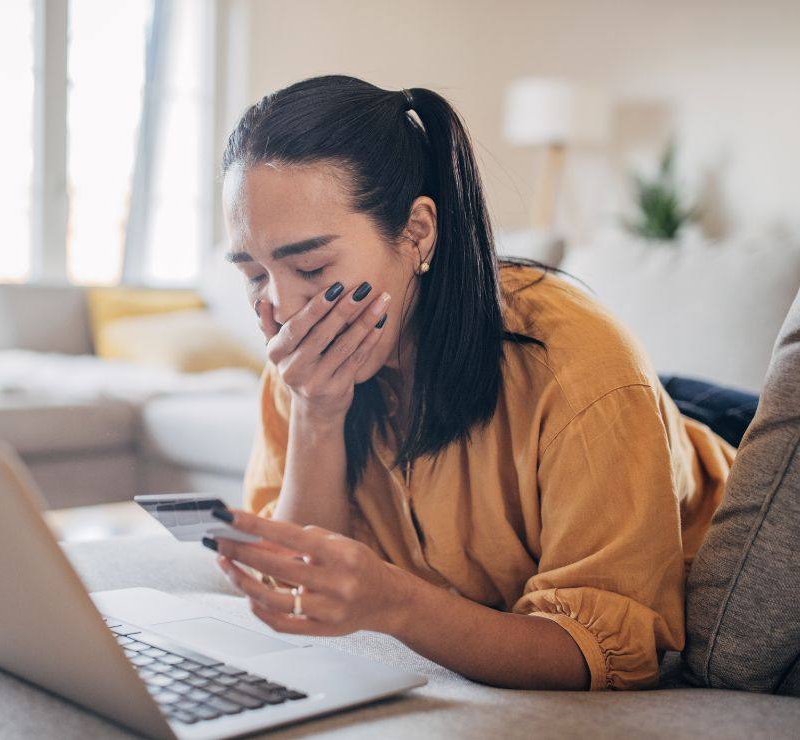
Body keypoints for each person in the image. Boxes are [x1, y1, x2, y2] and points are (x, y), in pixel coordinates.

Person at [205, 75, 735, 691]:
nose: (280, 306)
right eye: (251, 274)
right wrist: (316, 415)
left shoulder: (581, 369)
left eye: (311, 267)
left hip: (699, 447)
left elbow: (606, 655)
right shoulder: (302, 358)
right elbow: (294, 583)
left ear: (418, 233)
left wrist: (398, 602)